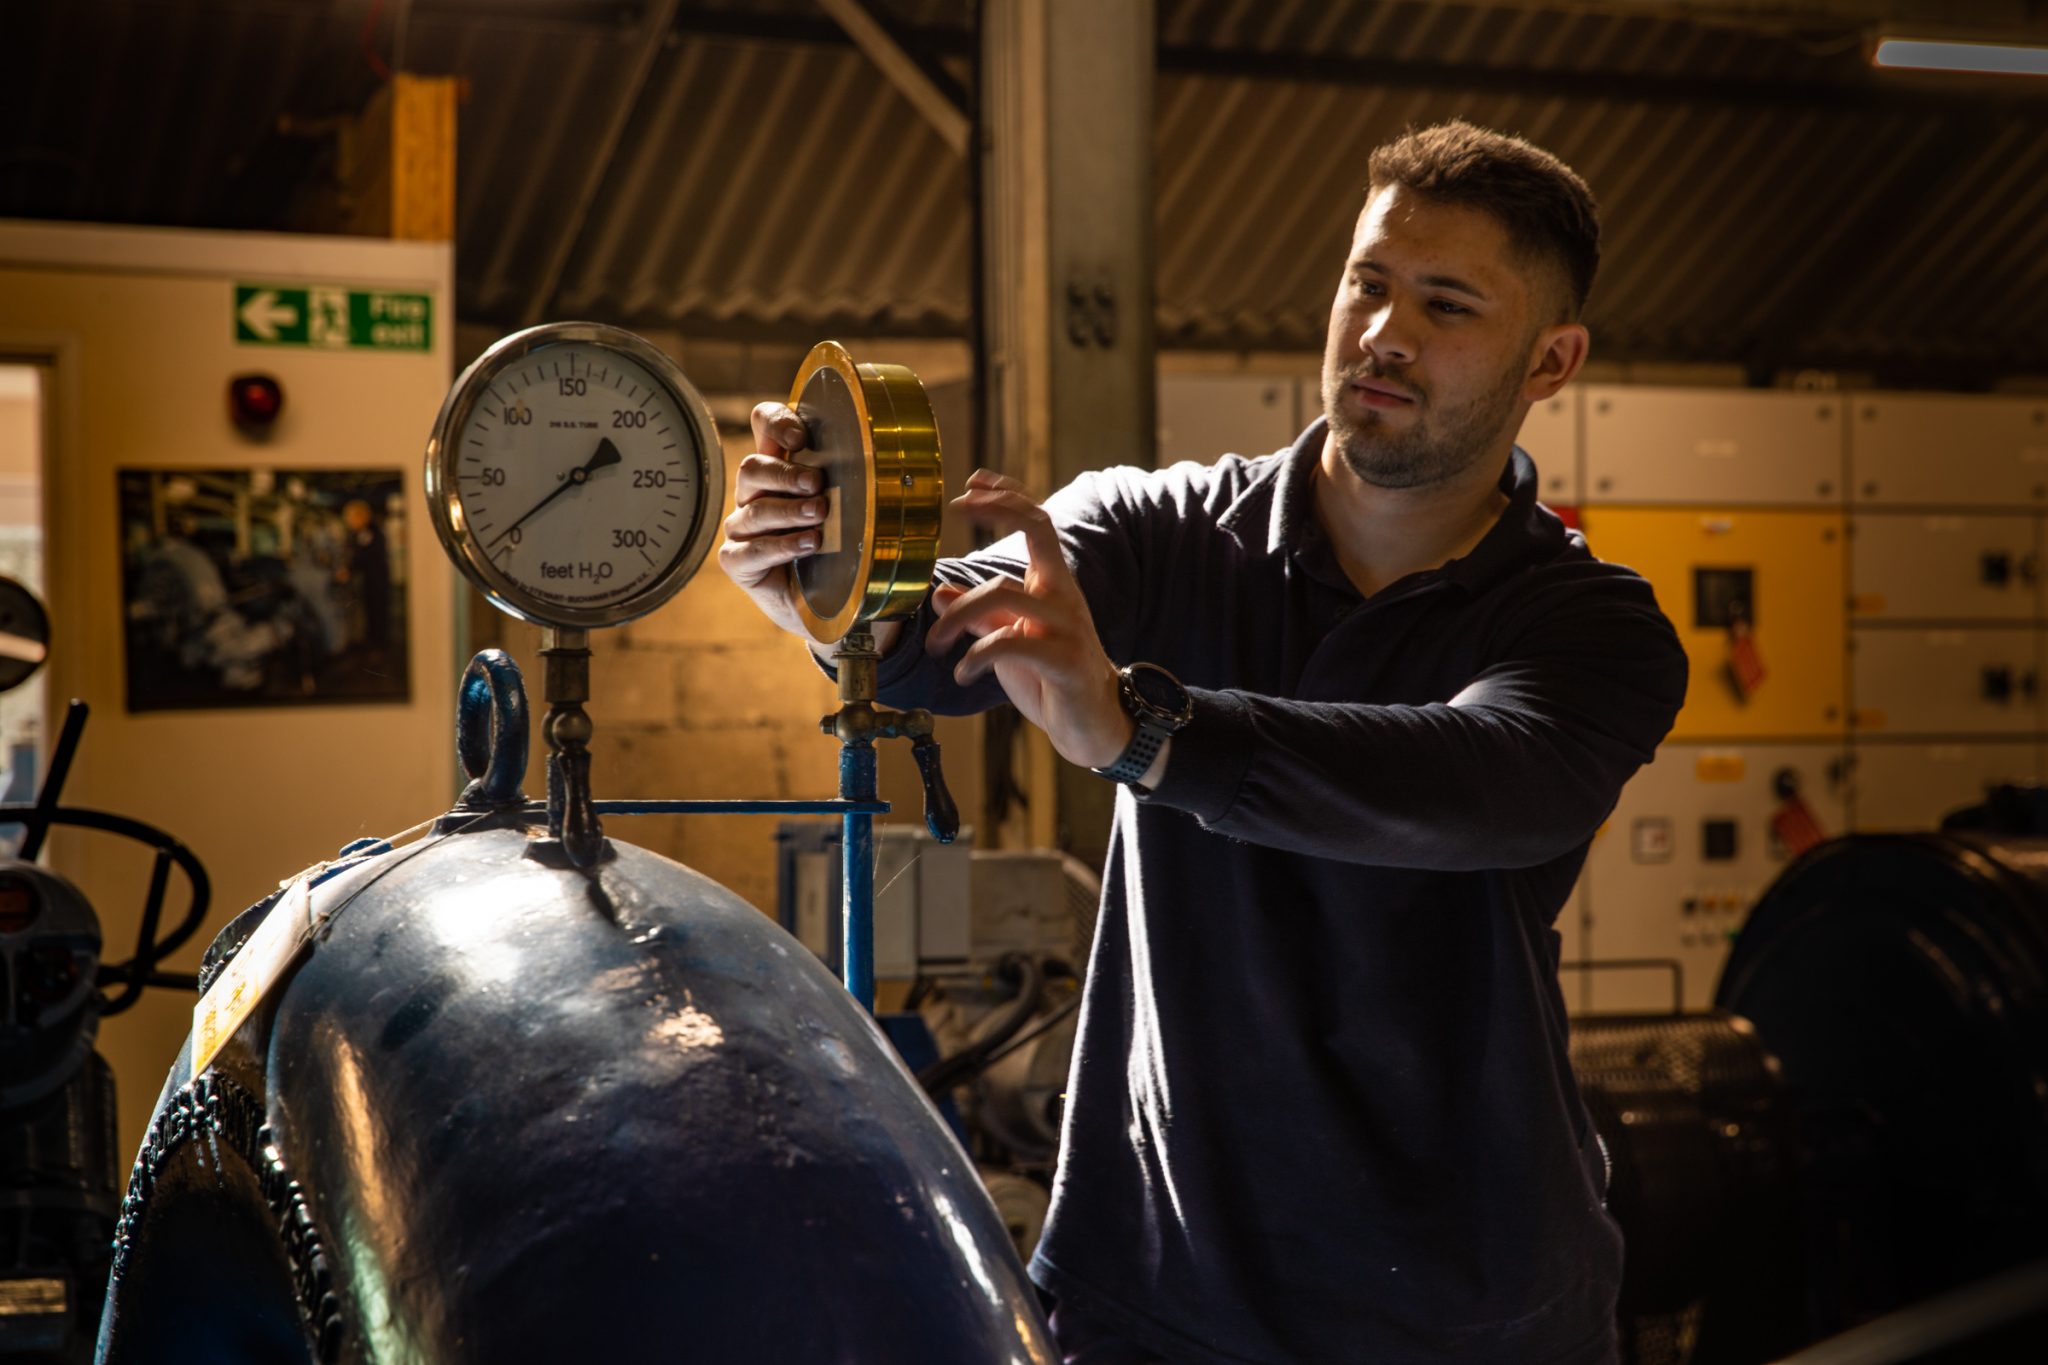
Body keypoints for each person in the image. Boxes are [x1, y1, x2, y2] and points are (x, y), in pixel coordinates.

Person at [720, 120, 1686, 1365]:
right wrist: (820, 570)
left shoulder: (1591, 625)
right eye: (1366, 283)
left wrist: (1143, 731)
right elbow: (927, 632)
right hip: (1159, 1295)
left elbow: (1482, 784)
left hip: (1466, 1304)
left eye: (1446, 305)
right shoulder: (1154, 528)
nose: (1384, 333)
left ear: (1549, 360)